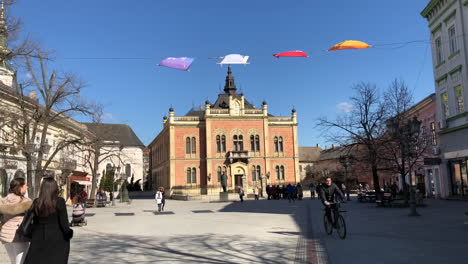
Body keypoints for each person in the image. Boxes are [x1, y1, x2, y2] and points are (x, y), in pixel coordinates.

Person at [23, 177, 73, 264]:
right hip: (56, 239)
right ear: (55, 188)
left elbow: (31, 221)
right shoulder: (59, 201)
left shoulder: (36, 202)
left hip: (38, 238)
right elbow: (64, 224)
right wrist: (69, 233)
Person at [0, 178, 32, 264]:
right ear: (20, 188)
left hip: (5, 234)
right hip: (19, 235)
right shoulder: (26, 203)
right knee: (20, 262)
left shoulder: (4, 201)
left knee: (13, 261)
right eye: (25, 185)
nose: (27, 187)